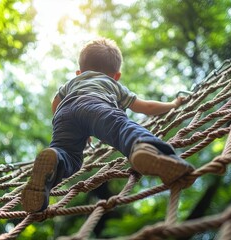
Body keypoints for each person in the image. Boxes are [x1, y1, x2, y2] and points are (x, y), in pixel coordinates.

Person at [21, 38, 194, 213]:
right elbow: (146, 107)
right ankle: (145, 148)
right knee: (122, 129)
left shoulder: (73, 82)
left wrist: (73, 127)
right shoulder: (113, 84)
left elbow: (55, 103)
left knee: (69, 156)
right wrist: (173, 104)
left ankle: (54, 159)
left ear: (79, 72)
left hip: (64, 115)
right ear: (116, 76)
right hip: (97, 106)